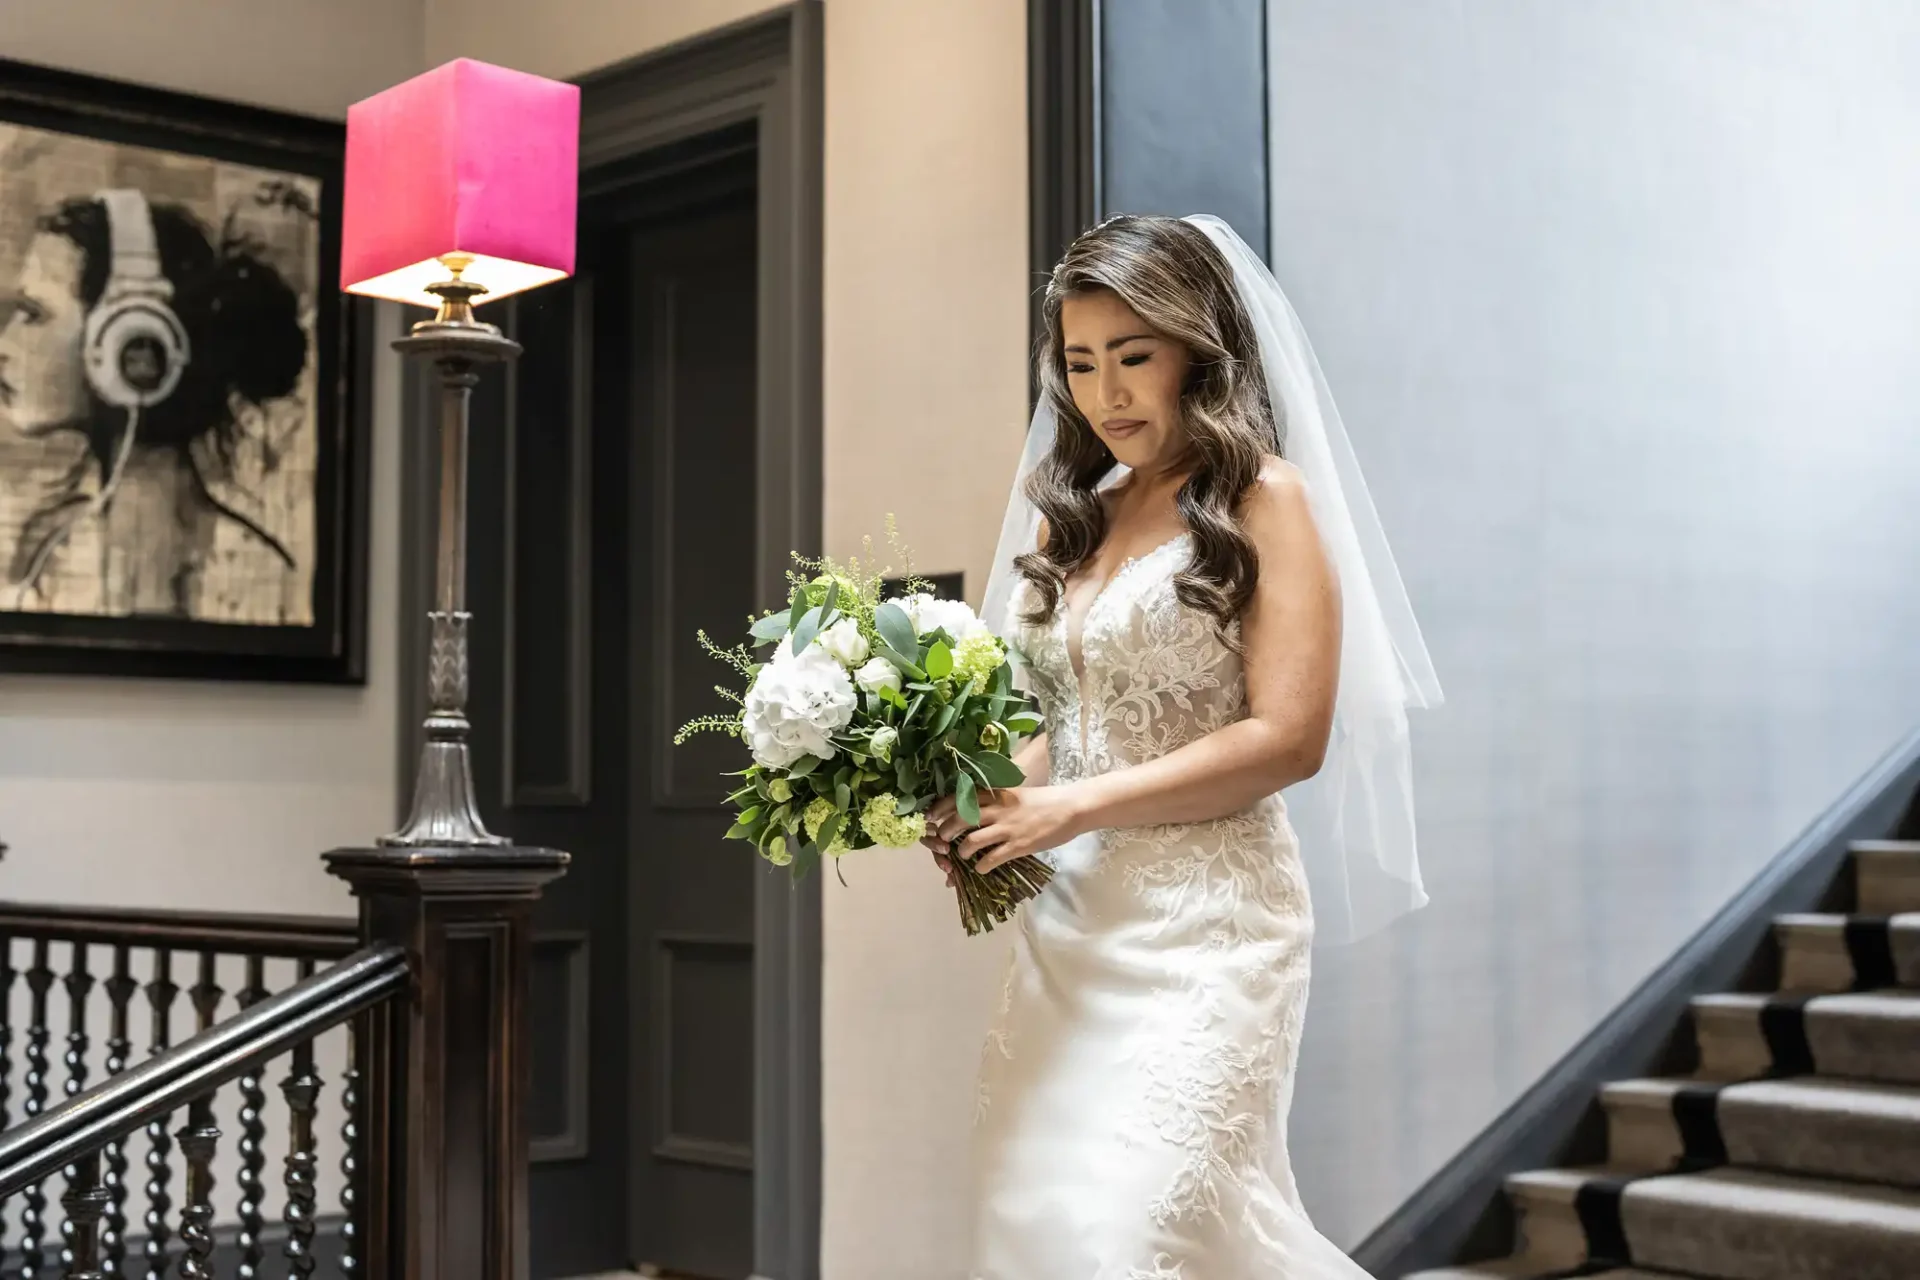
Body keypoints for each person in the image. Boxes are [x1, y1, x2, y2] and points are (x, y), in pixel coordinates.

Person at [925, 214, 1442, 1278]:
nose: (1105, 394)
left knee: (1134, 1229)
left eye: (1133, 357)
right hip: (1070, 928)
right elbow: (1042, 719)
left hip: (1213, 925)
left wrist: (1070, 806)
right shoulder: (1069, 517)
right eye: (1078, 363)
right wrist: (994, 815)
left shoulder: (1267, 500)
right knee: (1036, 1220)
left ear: (1195, 350)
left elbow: (1287, 738)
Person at [0, 190, 307, 619]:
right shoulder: (42, 552)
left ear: (130, 335)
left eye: (33, 314)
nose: (5, 344)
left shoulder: (258, 573)